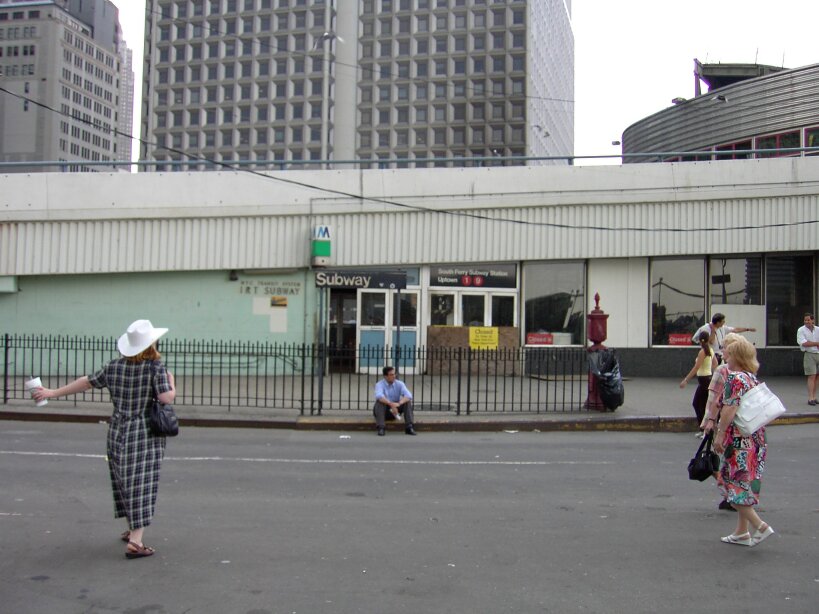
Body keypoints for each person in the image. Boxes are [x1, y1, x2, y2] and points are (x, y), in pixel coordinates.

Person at [32, 320, 176, 559]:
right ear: (153, 344)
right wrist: (173, 384)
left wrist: (52, 392)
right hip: (143, 431)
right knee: (141, 482)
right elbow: (166, 398)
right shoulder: (155, 368)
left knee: (123, 478)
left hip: (118, 428)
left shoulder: (113, 367)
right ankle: (136, 542)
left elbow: (86, 381)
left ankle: (131, 528)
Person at [712, 337, 774, 547]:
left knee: (732, 482)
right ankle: (741, 532)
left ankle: (760, 526)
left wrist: (720, 434)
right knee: (744, 483)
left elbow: (729, 409)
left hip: (738, 440)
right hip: (756, 438)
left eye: (727, 353)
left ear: (735, 356)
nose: (724, 356)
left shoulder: (735, 378)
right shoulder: (751, 378)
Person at [701, 332, 742, 511]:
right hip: (742, 423)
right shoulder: (747, 370)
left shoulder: (722, 370)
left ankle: (728, 493)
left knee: (715, 458)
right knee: (735, 461)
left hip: (722, 421)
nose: (722, 350)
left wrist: (708, 421)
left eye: (725, 347)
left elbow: (713, 398)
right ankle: (735, 492)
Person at [679, 330, 717, 436]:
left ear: (700, 341)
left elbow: (696, 367)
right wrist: (713, 375)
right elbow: (715, 363)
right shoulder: (710, 350)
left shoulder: (702, 352)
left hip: (703, 380)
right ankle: (704, 429)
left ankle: (704, 429)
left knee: (697, 404)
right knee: (703, 404)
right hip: (707, 379)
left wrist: (686, 380)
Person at [692, 313, 756, 363]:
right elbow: (711, 341)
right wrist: (713, 330)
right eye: (723, 321)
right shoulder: (706, 328)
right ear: (718, 322)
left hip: (720, 355)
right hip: (711, 355)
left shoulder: (722, 328)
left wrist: (748, 329)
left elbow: (735, 329)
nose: (724, 322)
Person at [373, 366, 416, 436]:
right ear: (385, 376)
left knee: (407, 402)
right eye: (391, 375)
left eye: (394, 374)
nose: (394, 376)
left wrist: (399, 404)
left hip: (396, 409)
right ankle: (381, 428)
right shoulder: (379, 384)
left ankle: (409, 427)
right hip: (384, 410)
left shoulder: (399, 384)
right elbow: (379, 396)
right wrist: (391, 404)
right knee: (379, 402)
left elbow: (409, 395)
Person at [796, 313, 819, 406]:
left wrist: (812, 343)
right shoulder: (801, 330)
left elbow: (809, 343)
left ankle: (814, 397)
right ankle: (810, 398)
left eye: (808, 320)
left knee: (817, 377)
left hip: (818, 353)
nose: (806, 322)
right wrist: (817, 343)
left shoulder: (818, 329)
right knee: (811, 376)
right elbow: (804, 343)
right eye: (805, 320)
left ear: (813, 320)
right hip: (809, 354)